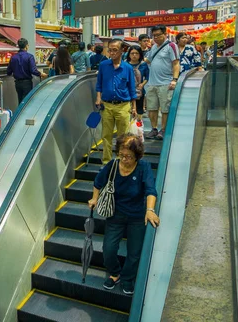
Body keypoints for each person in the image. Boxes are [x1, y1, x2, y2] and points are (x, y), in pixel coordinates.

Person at [88, 134, 159, 295]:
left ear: (137, 156)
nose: (124, 159)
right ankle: (115, 274)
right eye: (121, 155)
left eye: (129, 156)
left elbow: (150, 189)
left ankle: (127, 278)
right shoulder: (113, 165)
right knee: (109, 249)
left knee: (134, 252)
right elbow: (98, 182)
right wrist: (94, 198)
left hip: (137, 216)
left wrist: (150, 210)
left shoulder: (143, 167)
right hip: (115, 214)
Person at [95, 39, 137, 164]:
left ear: (122, 51)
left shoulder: (128, 68)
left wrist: (134, 107)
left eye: (115, 50)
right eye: (110, 50)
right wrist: (98, 97)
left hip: (123, 105)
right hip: (107, 105)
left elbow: (132, 88)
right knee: (106, 135)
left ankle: (121, 160)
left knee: (122, 137)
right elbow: (99, 84)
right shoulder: (103, 65)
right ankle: (107, 161)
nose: (112, 53)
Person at [144, 25, 180, 140]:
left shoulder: (171, 46)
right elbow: (148, 60)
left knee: (165, 108)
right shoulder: (154, 47)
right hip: (152, 83)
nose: (156, 38)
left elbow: (176, 63)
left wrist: (174, 80)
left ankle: (163, 129)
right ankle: (154, 129)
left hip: (166, 83)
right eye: (154, 36)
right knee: (152, 108)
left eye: (158, 35)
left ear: (165, 34)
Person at [7, 38, 47, 105]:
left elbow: (8, 72)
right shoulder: (29, 57)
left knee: (20, 101)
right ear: (26, 46)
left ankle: (19, 114)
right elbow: (33, 70)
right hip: (27, 83)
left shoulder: (13, 57)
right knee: (26, 103)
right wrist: (41, 74)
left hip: (17, 83)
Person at [127, 46, 149, 122]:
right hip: (127, 91)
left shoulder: (143, 65)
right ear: (129, 54)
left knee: (139, 109)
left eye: (136, 53)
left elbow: (147, 77)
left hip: (139, 90)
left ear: (140, 55)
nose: (134, 55)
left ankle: (138, 127)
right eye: (132, 53)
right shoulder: (125, 64)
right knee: (128, 108)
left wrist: (142, 84)